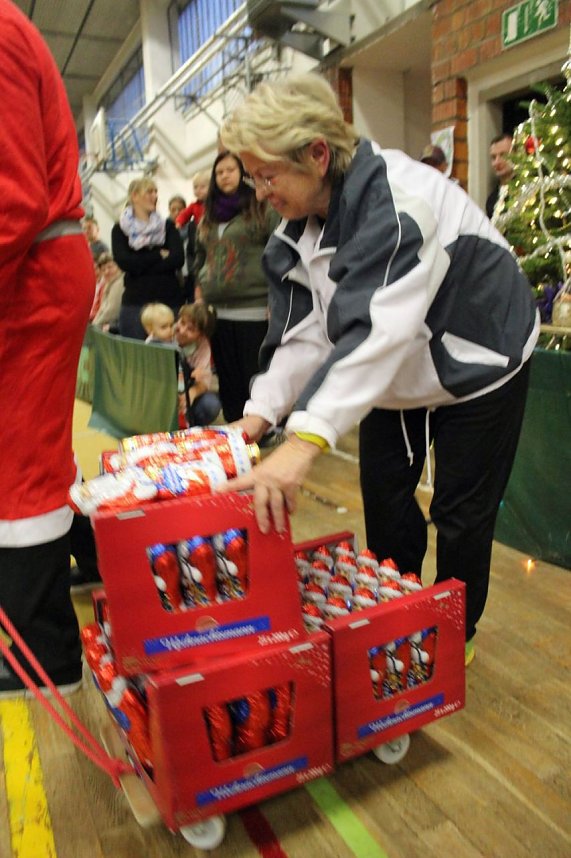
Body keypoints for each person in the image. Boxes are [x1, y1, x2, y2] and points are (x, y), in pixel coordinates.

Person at [217, 73, 539, 666]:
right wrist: (258, 418)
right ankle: (398, 611)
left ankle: (450, 637)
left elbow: (377, 327)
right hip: (396, 371)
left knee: (460, 514)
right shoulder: (293, 237)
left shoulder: (397, 200)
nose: (261, 193)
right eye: (253, 176)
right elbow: (304, 335)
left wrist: (305, 441)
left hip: (479, 357)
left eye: (268, 176)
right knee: (387, 498)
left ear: (317, 154)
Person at [0, 0, 95, 697]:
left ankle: (46, 655)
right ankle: (91, 567)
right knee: (29, 459)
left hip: (28, 277)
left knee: (21, 469)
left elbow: (12, 202)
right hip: (27, 270)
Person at [194, 151, 279, 422]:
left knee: (254, 374)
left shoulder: (261, 207)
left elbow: (279, 251)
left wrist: (277, 297)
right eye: (219, 172)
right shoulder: (208, 216)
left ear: (242, 173)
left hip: (254, 307)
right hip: (217, 310)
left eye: (230, 170)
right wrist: (199, 290)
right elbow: (198, 257)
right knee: (228, 377)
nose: (224, 176)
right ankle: (236, 428)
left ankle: (263, 426)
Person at [112, 177, 184, 339]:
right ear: (135, 196)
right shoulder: (120, 230)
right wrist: (158, 255)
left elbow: (178, 259)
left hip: (168, 300)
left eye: (155, 191)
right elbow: (125, 262)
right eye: (149, 192)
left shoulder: (167, 226)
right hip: (135, 304)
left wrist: (139, 264)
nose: (154, 196)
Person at [175, 303, 221, 427]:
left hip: (185, 391)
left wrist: (192, 392)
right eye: (182, 323)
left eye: (191, 329)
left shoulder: (203, 347)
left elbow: (204, 383)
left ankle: (191, 426)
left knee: (211, 404)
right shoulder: (168, 332)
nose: (182, 330)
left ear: (201, 336)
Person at [175, 170, 211, 302]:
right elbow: (184, 215)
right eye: (196, 187)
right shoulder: (194, 205)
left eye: (202, 187)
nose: (198, 190)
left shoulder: (213, 204)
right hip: (198, 236)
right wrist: (179, 222)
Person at [91, 252, 124, 332]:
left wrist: (94, 325)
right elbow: (102, 309)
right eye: (103, 269)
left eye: (110, 267)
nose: (106, 272)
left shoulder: (119, 283)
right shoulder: (109, 284)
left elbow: (111, 312)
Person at [486, 133, 514, 220]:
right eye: (493, 157)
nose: (496, 162)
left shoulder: (528, 189)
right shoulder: (491, 200)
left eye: (503, 155)